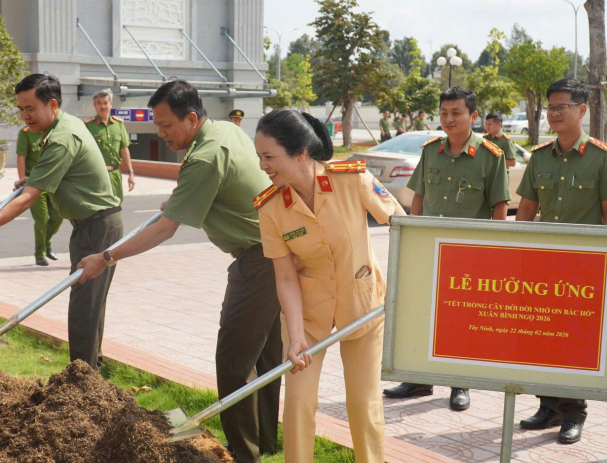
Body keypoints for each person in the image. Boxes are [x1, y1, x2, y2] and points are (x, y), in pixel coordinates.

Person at [76, 80, 282, 463]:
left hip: (259, 260)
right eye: (157, 124)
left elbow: (164, 229)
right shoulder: (223, 129)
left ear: (191, 119)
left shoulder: (204, 156)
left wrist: (105, 257)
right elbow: (219, 184)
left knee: (234, 362)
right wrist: (183, 195)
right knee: (266, 355)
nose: (161, 133)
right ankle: (266, 444)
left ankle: (244, 455)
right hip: (276, 251)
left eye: (167, 125)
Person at [255, 109, 405, 463]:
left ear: (301, 152)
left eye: (269, 156)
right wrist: (295, 337)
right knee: (298, 403)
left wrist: (407, 283)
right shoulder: (271, 208)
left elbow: (403, 226)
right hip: (307, 313)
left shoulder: (351, 180)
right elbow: (286, 277)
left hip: (363, 306)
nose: (263, 166)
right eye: (259, 157)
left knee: (362, 403)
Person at [0, 74, 122, 369]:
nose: (24, 116)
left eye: (30, 108)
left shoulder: (62, 137)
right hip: (92, 225)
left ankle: (83, 383)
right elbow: (63, 172)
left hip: (98, 228)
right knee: (89, 307)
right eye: (20, 109)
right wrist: (36, 177)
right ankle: (90, 375)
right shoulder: (65, 125)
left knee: (85, 309)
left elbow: (27, 198)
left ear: (52, 104)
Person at [383, 86, 511, 411]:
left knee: (460, 319)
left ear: (473, 116)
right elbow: (419, 198)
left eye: (456, 112)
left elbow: (499, 206)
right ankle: (418, 378)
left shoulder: (490, 156)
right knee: (421, 314)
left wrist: (493, 250)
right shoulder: (430, 151)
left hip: (470, 254)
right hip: (429, 249)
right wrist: (414, 238)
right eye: (444, 112)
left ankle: (459, 383)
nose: (449, 118)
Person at [515, 78, 607, 444]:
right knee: (537, 336)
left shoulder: (601, 156)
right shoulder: (541, 156)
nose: (555, 113)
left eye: (563, 106)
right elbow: (527, 209)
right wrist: (516, 255)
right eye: (551, 107)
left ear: (582, 110)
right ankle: (547, 406)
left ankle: (573, 414)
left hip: (582, 269)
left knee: (572, 342)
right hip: (541, 265)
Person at [16, 126, 64, 266]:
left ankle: (46, 243)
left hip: (53, 182)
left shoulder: (53, 131)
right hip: (34, 184)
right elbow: (21, 157)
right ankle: (40, 253)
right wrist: (22, 180)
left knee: (57, 217)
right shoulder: (26, 133)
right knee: (41, 220)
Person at [85, 89, 136, 201]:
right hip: (96, 174)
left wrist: (130, 173)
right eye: (99, 103)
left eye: (105, 102)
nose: (102, 106)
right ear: (94, 105)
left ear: (111, 104)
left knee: (116, 205)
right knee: (99, 207)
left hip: (115, 174)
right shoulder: (88, 126)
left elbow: (124, 149)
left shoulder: (119, 124)